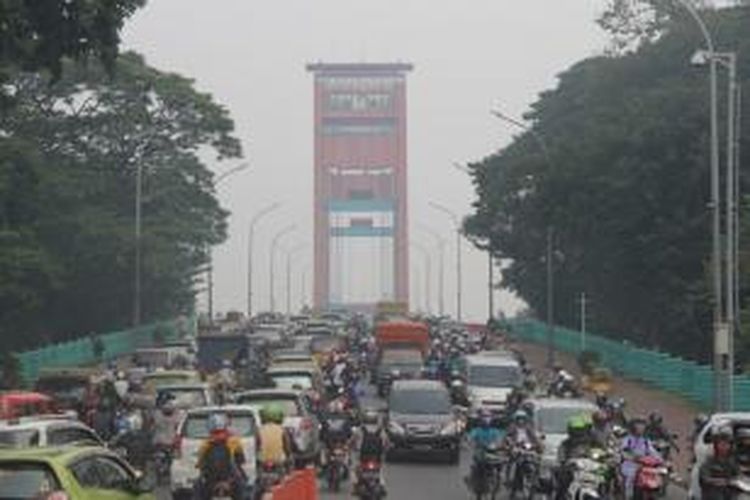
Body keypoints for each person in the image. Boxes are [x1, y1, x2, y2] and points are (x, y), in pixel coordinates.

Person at [195, 412, 247, 500]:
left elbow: (200, 464)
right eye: (216, 433)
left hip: (215, 480)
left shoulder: (205, 444)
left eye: (220, 432)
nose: (219, 435)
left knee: (197, 487)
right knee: (243, 485)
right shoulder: (234, 441)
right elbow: (241, 459)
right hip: (229, 479)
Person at [620, 417, 661, 500]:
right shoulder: (628, 439)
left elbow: (653, 451)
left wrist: (660, 459)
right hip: (630, 464)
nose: (641, 428)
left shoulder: (646, 441)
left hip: (644, 465)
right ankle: (629, 496)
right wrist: (632, 457)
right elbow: (624, 451)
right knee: (631, 477)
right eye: (639, 426)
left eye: (643, 426)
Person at [556, 415, 595, 500]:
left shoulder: (590, 442)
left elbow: (599, 451)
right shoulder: (565, 444)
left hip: (588, 470)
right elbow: (561, 457)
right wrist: (565, 463)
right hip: (572, 471)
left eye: (580, 430)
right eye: (575, 430)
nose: (577, 432)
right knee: (564, 482)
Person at [466, 409, 505, 494]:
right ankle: (472, 480)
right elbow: (470, 438)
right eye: (484, 416)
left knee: (500, 464)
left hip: (493, 453)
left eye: (488, 416)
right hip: (480, 452)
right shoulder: (477, 430)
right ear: (480, 419)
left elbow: (499, 439)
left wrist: (498, 444)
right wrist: (471, 443)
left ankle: (498, 480)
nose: (486, 419)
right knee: (476, 467)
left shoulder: (494, 430)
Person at [699, 425, 739, 500]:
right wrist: (721, 482)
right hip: (713, 494)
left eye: (727, 444)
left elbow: (737, 476)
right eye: (722, 444)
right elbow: (705, 479)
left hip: (729, 493)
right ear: (716, 445)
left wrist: (733, 481)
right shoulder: (709, 462)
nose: (724, 447)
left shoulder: (731, 462)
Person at [354, 409, 387, 497]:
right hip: (377, 457)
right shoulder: (380, 430)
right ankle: (383, 486)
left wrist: (351, 446)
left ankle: (356, 484)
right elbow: (386, 442)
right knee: (380, 472)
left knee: (355, 469)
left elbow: (353, 440)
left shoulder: (360, 429)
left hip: (363, 456)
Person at [257, 404, 292, 468]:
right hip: (279, 460)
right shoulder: (282, 430)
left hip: (262, 460)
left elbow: (257, 446)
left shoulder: (259, 430)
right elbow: (287, 447)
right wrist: (289, 456)